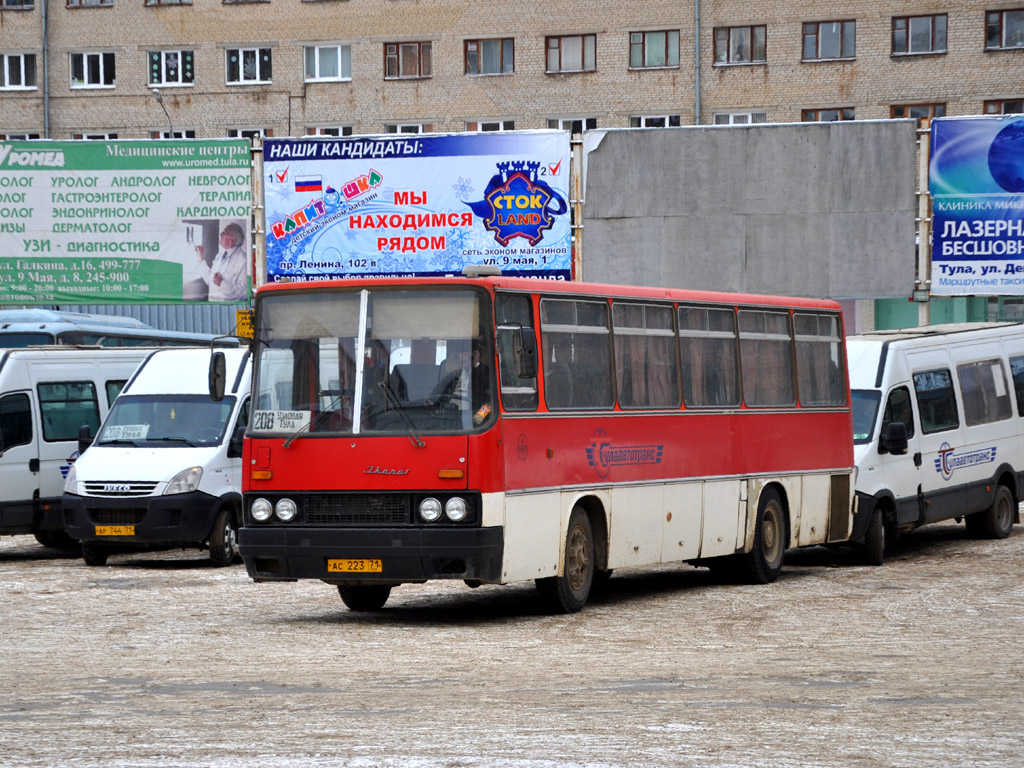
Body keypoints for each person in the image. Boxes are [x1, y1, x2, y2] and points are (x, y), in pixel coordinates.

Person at [195, 222, 248, 301]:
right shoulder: (219, 256)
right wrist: (201, 258)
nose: (220, 234)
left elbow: (243, 293)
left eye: (224, 233)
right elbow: (209, 280)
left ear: (232, 239)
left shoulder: (244, 260)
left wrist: (222, 284)